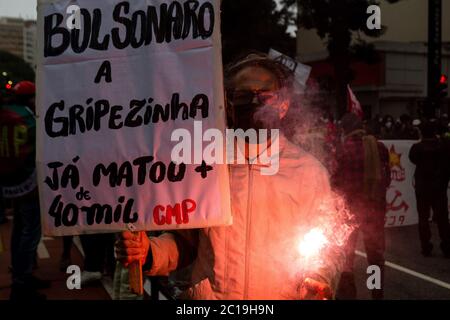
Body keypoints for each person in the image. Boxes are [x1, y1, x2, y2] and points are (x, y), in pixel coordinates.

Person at [115, 53, 347, 300]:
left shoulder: (309, 173)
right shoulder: (203, 166)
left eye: (264, 94)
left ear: (283, 104)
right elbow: (185, 242)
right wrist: (149, 252)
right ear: (227, 101)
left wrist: (320, 277)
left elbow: (329, 249)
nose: (254, 102)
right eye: (243, 95)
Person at [0, 81, 50, 300]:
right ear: (31, 98)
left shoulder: (6, 114)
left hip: (10, 182)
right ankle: (22, 282)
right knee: (31, 231)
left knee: (19, 228)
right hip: (29, 184)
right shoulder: (30, 118)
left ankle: (21, 274)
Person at [333, 113, 391, 300]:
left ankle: (349, 296)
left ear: (345, 130)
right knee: (375, 258)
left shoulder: (343, 150)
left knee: (347, 258)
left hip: (349, 213)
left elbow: (335, 184)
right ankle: (376, 294)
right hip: (374, 211)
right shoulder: (379, 147)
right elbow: (387, 179)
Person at [409, 121, 450, 258]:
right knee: (443, 218)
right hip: (439, 187)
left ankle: (426, 246)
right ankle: (446, 245)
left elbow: (412, 159)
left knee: (423, 217)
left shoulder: (417, 148)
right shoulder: (443, 147)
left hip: (423, 187)